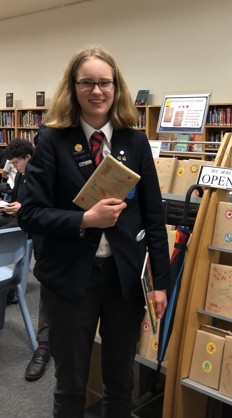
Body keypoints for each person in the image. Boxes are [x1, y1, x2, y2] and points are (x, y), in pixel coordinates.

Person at [18, 45, 170, 418]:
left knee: (120, 381)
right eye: (88, 83)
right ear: (74, 87)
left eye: (105, 83)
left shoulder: (134, 142)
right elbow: (31, 215)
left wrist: (160, 283)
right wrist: (85, 220)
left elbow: (153, 215)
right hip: (71, 280)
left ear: (116, 87)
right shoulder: (52, 141)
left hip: (125, 282)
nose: (97, 91)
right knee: (70, 384)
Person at [0, 139, 51, 380]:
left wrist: (23, 208)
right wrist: (12, 205)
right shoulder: (21, 174)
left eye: (16, 163)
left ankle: (45, 343)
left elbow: (42, 205)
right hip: (25, 224)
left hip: (38, 231)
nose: (15, 168)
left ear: (28, 158)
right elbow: (18, 195)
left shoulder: (41, 173)